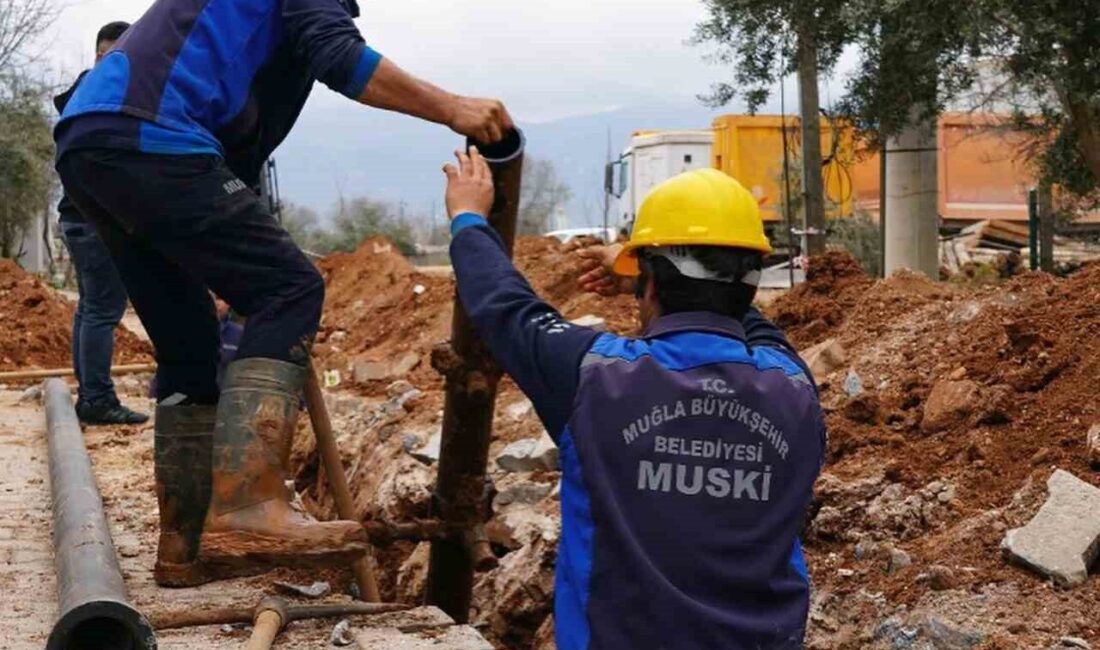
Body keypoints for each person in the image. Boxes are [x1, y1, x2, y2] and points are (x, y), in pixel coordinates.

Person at [53, 0, 513, 588]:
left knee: (190, 344)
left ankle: (184, 546)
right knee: (290, 288)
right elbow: (341, 58)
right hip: (151, 133)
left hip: (93, 143)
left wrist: (234, 261)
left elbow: (236, 151)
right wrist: (452, 107)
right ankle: (247, 507)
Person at [443, 155, 826, 649]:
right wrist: (658, 275)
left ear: (650, 282)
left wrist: (469, 217)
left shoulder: (595, 377)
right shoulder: (794, 389)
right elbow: (748, 320)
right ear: (752, 277)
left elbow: (504, 304)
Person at [54, 21, 148, 426]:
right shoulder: (97, 97)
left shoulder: (82, 98)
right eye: (117, 55)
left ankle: (90, 394)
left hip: (79, 218)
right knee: (103, 310)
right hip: (93, 221)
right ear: (99, 55)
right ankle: (96, 398)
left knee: (91, 308)